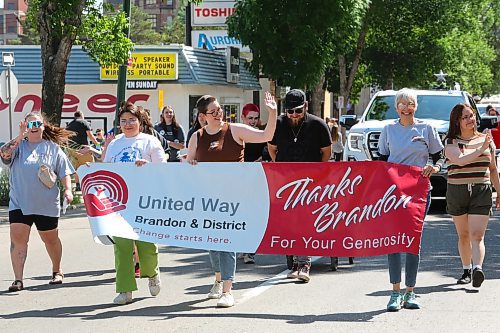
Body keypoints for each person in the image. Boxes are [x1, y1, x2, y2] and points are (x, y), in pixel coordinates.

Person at [186, 92, 277, 308]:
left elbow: (266, 134)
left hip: (233, 199)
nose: (219, 114)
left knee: (227, 241)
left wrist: (272, 112)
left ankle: (228, 289)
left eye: (220, 109)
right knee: (212, 243)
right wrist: (189, 165)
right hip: (208, 199)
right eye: (213, 111)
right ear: (203, 116)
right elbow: (189, 164)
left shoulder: (235, 130)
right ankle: (218, 278)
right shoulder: (196, 137)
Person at [377, 88, 444, 311]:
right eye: (402, 104)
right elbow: (382, 160)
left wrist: (434, 166)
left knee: (413, 240)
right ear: (396, 107)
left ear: (416, 107)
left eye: (411, 103)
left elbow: (438, 156)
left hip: (419, 191)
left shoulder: (426, 129)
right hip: (394, 194)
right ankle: (394, 292)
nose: (407, 107)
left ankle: (410, 292)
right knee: (394, 241)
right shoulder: (388, 130)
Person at [0, 112, 75, 292]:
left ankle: (57, 270)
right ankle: (18, 279)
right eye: (30, 123)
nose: (34, 127)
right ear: (25, 125)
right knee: (18, 240)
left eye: (37, 124)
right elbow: (4, 153)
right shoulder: (19, 146)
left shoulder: (53, 148)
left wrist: (68, 190)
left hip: (46, 203)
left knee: (50, 239)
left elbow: (64, 171)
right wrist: (20, 135)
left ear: (43, 126)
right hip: (19, 202)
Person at [104, 101, 168, 305]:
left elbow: (163, 168)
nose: (128, 124)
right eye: (123, 121)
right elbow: (106, 171)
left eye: (132, 120)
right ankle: (125, 289)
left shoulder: (149, 141)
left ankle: (152, 273)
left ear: (140, 121)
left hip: (145, 201)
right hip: (120, 202)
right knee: (122, 246)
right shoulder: (115, 143)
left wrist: (148, 166)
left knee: (145, 244)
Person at [267, 89, 332, 283]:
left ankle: (304, 262)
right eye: (290, 112)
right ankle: (294, 261)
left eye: (297, 111)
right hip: (285, 181)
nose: (293, 115)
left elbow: (326, 152)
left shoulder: (318, 125)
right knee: (289, 221)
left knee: (304, 219)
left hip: (310, 181)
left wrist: (317, 172)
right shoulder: (278, 124)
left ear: (305, 106)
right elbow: (271, 147)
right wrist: (280, 165)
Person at [444, 103, 500, 288]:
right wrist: (481, 147)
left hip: (481, 191)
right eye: (465, 117)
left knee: (477, 235)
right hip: (457, 191)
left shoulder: (486, 140)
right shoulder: (451, 142)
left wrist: (499, 192)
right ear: (457, 121)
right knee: (464, 235)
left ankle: (477, 269)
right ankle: (466, 269)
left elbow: (493, 170)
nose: (470, 120)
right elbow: (460, 161)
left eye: (472, 115)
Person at [237, 103, 268, 264]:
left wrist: (260, 160)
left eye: (256, 118)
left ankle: (250, 250)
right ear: (243, 117)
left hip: (256, 178)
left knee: (253, 215)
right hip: (239, 179)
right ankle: (244, 246)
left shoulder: (262, 134)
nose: (253, 121)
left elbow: (268, 151)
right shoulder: (235, 132)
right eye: (250, 118)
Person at [65, 111, 99, 188]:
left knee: (77, 168)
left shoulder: (70, 124)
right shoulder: (84, 122)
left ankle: (78, 185)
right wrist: (97, 144)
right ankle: (91, 183)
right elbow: (90, 135)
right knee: (90, 165)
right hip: (83, 149)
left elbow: (66, 137)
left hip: (72, 149)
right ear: (82, 116)